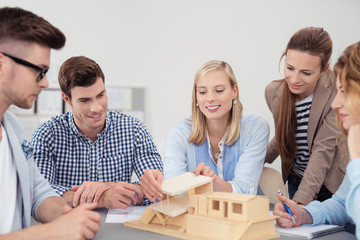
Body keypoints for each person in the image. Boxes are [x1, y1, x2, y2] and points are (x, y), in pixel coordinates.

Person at [0, 7, 100, 238]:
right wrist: (51, 232)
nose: (45, 83)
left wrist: (70, 216)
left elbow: (38, 193)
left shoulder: (14, 129)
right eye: (40, 71)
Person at [31, 56, 163, 209]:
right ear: (67, 99)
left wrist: (109, 186)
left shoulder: (134, 129)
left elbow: (157, 192)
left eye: (100, 95)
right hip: (68, 227)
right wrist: (102, 197)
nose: (96, 108)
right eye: (85, 100)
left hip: (120, 229)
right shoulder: (46, 135)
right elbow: (39, 195)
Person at [140, 60, 269, 202]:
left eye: (219, 90)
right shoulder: (178, 135)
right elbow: (175, 195)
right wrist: (159, 187)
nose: (210, 98)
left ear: (234, 91)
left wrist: (212, 182)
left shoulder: (255, 128)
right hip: (197, 219)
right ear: (196, 96)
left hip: (244, 217)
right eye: (202, 92)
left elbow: (245, 191)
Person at [274, 41, 360, 239]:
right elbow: (341, 203)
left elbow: (321, 153)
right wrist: (304, 213)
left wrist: (356, 159)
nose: (336, 103)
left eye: (344, 92)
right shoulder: (276, 92)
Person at [265, 27, 345, 205]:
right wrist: (254, 159)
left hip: (331, 186)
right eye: (290, 68)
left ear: (324, 69)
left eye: (306, 73)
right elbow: (283, 135)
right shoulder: (273, 92)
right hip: (296, 181)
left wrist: (300, 204)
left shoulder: (336, 94)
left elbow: (322, 151)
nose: (294, 79)